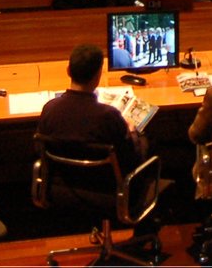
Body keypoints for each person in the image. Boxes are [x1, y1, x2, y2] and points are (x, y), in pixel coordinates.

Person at [36, 44, 148, 180]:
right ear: (98, 75)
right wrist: (133, 133)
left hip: (60, 190)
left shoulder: (49, 109)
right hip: (106, 192)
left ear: (68, 71)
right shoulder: (109, 116)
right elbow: (130, 160)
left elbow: (39, 150)